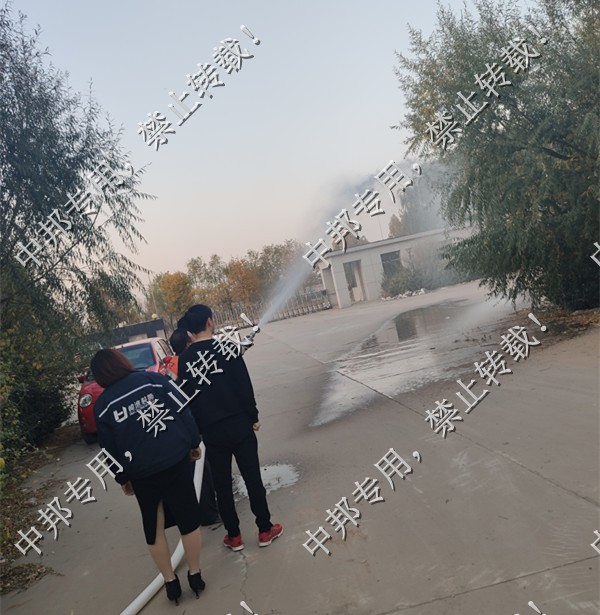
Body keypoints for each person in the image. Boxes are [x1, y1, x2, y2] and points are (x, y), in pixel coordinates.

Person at [91, 348, 206, 605]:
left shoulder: (103, 406)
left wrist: (122, 477)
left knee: (154, 525)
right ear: (122, 362)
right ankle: (195, 575)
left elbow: (108, 448)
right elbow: (182, 409)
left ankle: (170, 582)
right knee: (188, 519)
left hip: (141, 472)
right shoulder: (152, 380)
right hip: (174, 459)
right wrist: (194, 441)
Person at [177, 304, 283, 551]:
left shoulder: (185, 361)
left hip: (211, 432)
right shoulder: (227, 348)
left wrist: (197, 433)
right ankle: (265, 530)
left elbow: (187, 401)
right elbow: (243, 386)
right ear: (210, 322)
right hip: (239, 425)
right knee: (252, 477)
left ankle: (234, 536)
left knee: (222, 485)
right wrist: (253, 416)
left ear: (190, 331)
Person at [169, 326, 221, 527]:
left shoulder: (171, 365)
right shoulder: (186, 364)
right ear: (188, 343)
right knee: (203, 470)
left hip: (179, 428)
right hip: (191, 426)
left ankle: (206, 507)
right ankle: (208, 514)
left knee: (197, 471)